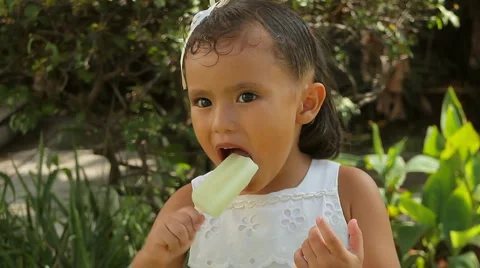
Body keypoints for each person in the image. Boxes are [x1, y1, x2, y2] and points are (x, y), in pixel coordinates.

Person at [131, 0, 400, 267]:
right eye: (203, 102)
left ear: (306, 104)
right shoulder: (184, 206)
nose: (220, 123)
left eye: (246, 96)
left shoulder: (349, 193)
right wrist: (154, 256)